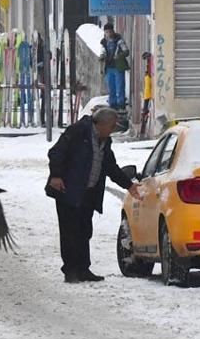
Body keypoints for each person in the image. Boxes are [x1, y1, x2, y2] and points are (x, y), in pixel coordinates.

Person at [47, 107, 141, 283]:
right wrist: (56, 175)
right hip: (68, 190)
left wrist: (129, 185)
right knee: (70, 232)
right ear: (101, 124)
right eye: (112, 126)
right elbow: (56, 152)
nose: (113, 130)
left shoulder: (105, 141)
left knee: (84, 231)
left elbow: (110, 167)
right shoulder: (78, 131)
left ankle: (83, 269)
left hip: (88, 193)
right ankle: (71, 271)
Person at [99, 23, 130, 111]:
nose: (108, 34)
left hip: (118, 67)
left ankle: (121, 104)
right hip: (108, 67)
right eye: (107, 32)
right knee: (111, 86)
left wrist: (119, 56)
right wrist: (102, 57)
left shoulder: (119, 40)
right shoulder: (103, 42)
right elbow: (102, 51)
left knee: (120, 86)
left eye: (110, 31)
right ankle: (112, 104)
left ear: (113, 31)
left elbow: (126, 51)